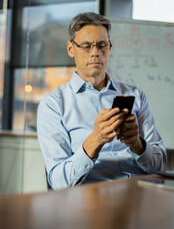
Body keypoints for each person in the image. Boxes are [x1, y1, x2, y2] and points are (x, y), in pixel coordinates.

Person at [37, 12, 167, 190]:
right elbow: (59, 183)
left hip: (140, 193)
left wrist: (137, 144)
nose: (95, 53)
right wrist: (95, 140)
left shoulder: (136, 96)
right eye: (86, 46)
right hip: (91, 200)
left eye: (101, 45)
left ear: (110, 48)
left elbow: (160, 166)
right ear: (70, 49)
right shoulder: (53, 105)